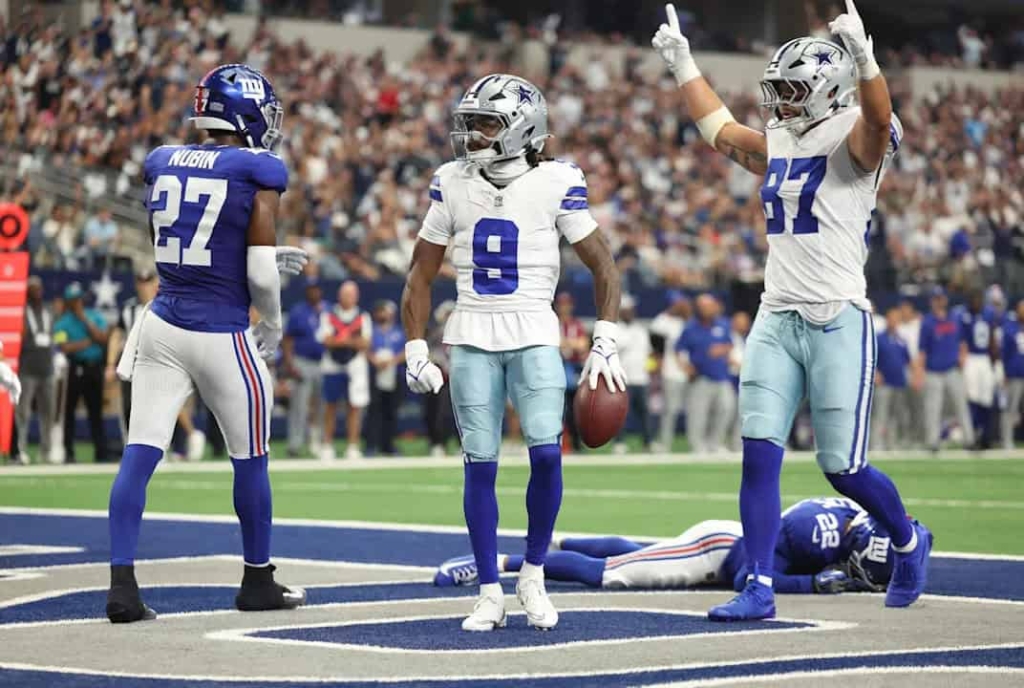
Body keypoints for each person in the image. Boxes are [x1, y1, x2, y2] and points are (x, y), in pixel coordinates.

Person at [652, 0, 929, 621]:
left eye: (793, 89)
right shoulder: (782, 133)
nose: (780, 101)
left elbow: (879, 118)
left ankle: (908, 540)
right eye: (777, 89)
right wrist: (683, 64)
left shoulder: (856, 137)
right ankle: (759, 587)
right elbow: (721, 133)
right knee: (758, 453)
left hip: (837, 318)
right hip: (776, 316)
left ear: (832, 92)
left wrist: (865, 57)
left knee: (843, 468)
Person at [401, 73, 625, 632]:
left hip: (533, 332)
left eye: (486, 123)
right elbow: (420, 273)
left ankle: (534, 573)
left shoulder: (556, 180)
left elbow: (604, 263)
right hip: (472, 333)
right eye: (470, 123)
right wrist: (414, 346)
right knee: (480, 467)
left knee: (547, 456)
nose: (472, 135)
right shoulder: (450, 181)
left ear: (522, 129)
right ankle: (488, 590)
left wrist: (606, 337)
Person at [105, 64, 306, 624]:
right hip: (220, 332)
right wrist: (270, 320)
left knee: (139, 453)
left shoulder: (162, 159)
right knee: (251, 459)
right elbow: (262, 270)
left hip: (163, 323)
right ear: (244, 114)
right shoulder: (257, 167)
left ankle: (122, 585)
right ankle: (257, 579)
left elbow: (168, 243)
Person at [435, 497, 930, 597]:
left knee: (630, 552)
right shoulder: (813, 533)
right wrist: (810, 585)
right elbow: (747, 577)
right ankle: (498, 563)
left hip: (723, 540)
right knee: (610, 574)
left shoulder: (847, 519)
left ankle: (561, 538)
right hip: (719, 551)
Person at [108, 269, 206, 462]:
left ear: (156, 283)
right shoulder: (129, 309)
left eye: (148, 281)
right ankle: (137, 449)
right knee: (131, 407)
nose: (144, 286)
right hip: (135, 365)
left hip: (162, 362)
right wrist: (111, 363)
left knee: (167, 404)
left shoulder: (167, 305)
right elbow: (117, 335)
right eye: (141, 282)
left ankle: (181, 440)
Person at [53, 282, 109, 464]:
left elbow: (102, 338)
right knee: (69, 412)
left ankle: (101, 451)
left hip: (94, 368)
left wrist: (84, 319)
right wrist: (84, 344)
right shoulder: (61, 323)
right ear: (68, 302)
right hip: (73, 369)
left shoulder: (94, 316)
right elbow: (63, 347)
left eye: (79, 299)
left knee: (96, 412)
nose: (77, 303)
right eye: (73, 301)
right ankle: (68, 452)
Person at [317, 280, 371, 462]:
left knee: (354, 407)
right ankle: (327, 445)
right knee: (330, 407)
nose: (348, 298)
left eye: (351, 294)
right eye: (345, 294)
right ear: (339, 295)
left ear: (356, 297)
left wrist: (341, 339)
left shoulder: (363, 316)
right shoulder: (328, 314)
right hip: (332, 365)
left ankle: (353, 446)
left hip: (355, 366)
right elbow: (326, 340)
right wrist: (349, 339)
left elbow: (365, 343)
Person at [916, 287, 973, 451]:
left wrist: (963, 358)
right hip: (933, 371)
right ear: (932, 302)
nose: (938, 302)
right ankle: (932, 442)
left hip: (952, 369)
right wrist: (919, 373)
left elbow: (963, 342)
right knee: (933, 408)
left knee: (961, 405)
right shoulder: (927, 322)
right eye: (935, 299)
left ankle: (969, 440)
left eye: (940, 298)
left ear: (945, 300)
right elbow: (922, 351)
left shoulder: (955, 319)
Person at [678, 294, 735, 453]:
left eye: (708, 306)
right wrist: (686, 367)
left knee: (726, 409)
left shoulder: (723, 324)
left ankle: (715, 444)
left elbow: (730, 344)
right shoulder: (690, 327)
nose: (706, 309)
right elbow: (678, 350)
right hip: (700, 378)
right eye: (702, 306)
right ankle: (697, 446)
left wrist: (722, 350)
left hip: (722, 376)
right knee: (698, 415)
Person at [282, 279, 327, 457]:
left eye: (316, 289)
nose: (314, 293)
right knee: (299, 405)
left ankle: (322, 442)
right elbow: (287, 339)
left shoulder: (328, 309)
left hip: (325, 361)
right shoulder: (298, 311)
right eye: (311, 290)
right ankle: (295, 444)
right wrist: (289, 363)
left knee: (323, 404)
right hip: (302, 361)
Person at [16, 276, 54, 465]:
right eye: (32, 289)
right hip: (28, 369)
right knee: (23, 411)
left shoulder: (48, 310)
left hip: (47, 368)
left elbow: (53, 335)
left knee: (48, 412)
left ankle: (46, 451)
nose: (36, 292)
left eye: (38, 288)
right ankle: (20, 449)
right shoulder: (22, 312)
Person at [649, 292, 691, 453]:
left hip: (691, 373)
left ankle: (698, 445)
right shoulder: (661, 322)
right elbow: (655, 350)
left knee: (694, 411)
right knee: (670, 410)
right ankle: (665, 444)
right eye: (679, 303)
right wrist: (656, 368)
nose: (682, 306)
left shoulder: (688, 321)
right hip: (671, 372)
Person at [614, 294, 653, 454]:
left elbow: (648, 352)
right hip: (623, 378)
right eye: (626, 310)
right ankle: (619, 442)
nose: (629, 312)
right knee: (622, 414)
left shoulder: (641, 330)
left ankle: (648, 442)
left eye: (631, 310)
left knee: (645, 414)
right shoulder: (615, 329)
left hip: (641, 378)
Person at [367, 300, 406, 456]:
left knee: (391, 411)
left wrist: (393, 361)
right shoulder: (371, 331)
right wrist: (374, 360)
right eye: (380, 311)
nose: (383, 314)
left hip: (393, 373)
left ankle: (389, 445)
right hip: (376, 372)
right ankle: (371, 444)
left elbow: (406, 350)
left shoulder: (398, 332)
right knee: (374, 410)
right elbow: (365, 348)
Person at [960, 291, 997, 449]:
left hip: (985, 358)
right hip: (972, 358)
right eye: (973, 298)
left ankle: (986, 436)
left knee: (987, 397)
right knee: (973, 397)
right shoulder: (964, 315)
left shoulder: (989, 314)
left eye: (979, 298)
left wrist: (994, 359)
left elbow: (992, 338)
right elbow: (962, 341)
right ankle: (974, 435)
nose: (976, 302)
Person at [872, 306, 912, 451]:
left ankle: (892, 444)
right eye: (892, 318)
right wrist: (875, 373)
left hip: (899, 382)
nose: (894, 321)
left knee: (895, 416)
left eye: (897, 318)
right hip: (884, 383)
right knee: (880, 414)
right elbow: (871, 358)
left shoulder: (901, 339)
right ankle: (876, 444)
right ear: (887, 319)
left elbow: (907, 360)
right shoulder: (878, 337)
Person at [556, 292, 588, 452]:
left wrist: (564, 343)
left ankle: (576, 443)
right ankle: (559, 443)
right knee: (556, 409)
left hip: (572, 368)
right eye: (562, 304)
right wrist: (570, 344)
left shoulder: (576, 325)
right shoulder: (552, 323)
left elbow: (582, 345)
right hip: (555, 368)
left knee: (574, 409)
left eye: (567, 304)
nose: (564, 308)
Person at [424, 300, 456, 457]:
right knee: (438, 412)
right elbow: (430, 352)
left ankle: (462, 443)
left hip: (459, 377)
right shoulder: (436, 333)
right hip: (441, 377)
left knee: (463, 412)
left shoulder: (464, 332)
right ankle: (438, 443)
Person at [1001, 301, 1024, 449]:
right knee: (1010, 409)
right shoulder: (1010, 328)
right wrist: (1005, 373)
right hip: (1015, 374)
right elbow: (1004, 353)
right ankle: (1007, 441)